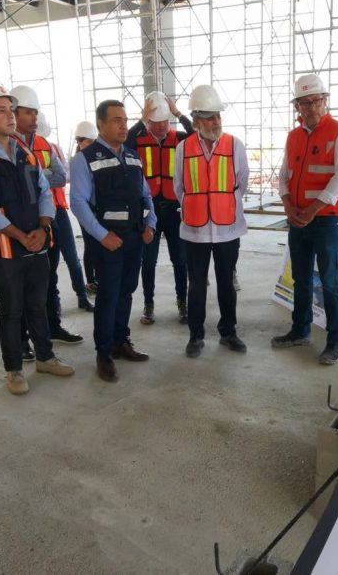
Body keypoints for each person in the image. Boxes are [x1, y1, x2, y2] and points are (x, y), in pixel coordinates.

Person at [0, 82, 74, 395]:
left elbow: (45, 194)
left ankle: (45, 358)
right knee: (11, 309)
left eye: (11, 110)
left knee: (38, 304)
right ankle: (14, 370)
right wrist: (22, 235)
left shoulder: (26, 154)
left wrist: (43, 228)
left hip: (37, 244)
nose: (10, 116)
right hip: (4, 251)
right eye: (1, 111)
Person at [271, 74, 338, 365]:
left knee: (330, 279)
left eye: (315, 101)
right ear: (297, 106)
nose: (310, 108)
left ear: (325, 100)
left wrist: (312, 210)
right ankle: (300, 330)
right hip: (298, 218)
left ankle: (335, 339)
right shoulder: (293, 137)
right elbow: (285, 174)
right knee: (301, 277)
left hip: (327, 220)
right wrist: (288, 205)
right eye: (303, 103)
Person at [70, 100, 156, 382]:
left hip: (134, 239)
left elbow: (145, 195)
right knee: (108, 297)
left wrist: (150, 225)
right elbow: (78, 202)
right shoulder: (84, 159)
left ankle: (121, 341)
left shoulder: (132, 156)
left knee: (127, 292)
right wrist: (102, 235)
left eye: (125, 120)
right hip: (107, 242)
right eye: (117, 120)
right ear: (101, 124)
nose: (123, 126)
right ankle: (104, 353)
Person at [173, 85, 249, 358]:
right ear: (196, 121)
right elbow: (179, 187)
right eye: (209, 117)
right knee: (196, 285)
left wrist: (222, 204)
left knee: (226, 283)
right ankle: (196, 336)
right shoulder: (183, 149)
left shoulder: (234, 145)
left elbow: (241, 184)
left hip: (228, 229)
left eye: (218, 116)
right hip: (195, 231)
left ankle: (228, 332)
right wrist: (198, 207)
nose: (216, 122)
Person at [9, 85, 84, 361]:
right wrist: (41, 175)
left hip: (48, 216)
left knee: (48, 276)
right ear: (14, 113)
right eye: (28, 112)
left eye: (35, 112)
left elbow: (61, 177)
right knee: (19, 284)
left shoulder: (43, 144)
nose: (34, 117)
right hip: (20, 221)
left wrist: (34, 176)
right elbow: (15, 184)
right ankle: (21, 339)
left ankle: (53, 327)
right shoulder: (6, 145)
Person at [126, 91, 193, 325]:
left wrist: (179, 113)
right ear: (148, 122)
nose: (162, 126)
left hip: (174, 209)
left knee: (180, 260)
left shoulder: (180, 138)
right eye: (156, 122)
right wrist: (142, 119)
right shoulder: (137, 140)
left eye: (165, 121)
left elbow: (198, 134)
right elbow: (125, 140)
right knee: (149, 261)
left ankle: (183, 303)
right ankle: (148, 305)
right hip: (148, 210)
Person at [36, 114, 94, 313]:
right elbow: (29, 179)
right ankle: (54, 303)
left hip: (59, 209)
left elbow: (63, 176)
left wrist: (40, 176)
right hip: (40, 213)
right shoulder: (20, 149)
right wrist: (47, 174)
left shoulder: (51, 148)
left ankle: (82, 296)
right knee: (48, 264)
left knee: (72, 258)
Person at [73, 121, 100, 297]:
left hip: (97, 206)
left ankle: (97, 278)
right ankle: (90, 281)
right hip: (85, 207)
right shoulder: (78, 161)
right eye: (88, 142)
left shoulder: (97, 158)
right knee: (90, 243)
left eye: (93, 142)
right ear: (79, 142)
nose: (91, 145)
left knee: (97, 243)